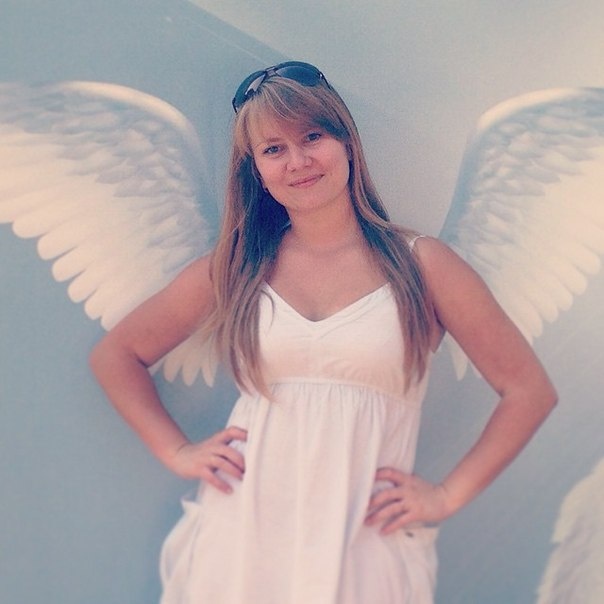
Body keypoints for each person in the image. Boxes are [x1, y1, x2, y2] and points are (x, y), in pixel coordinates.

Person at [90, 61, 557, 603]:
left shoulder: (422, 264)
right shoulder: (238, 265)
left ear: (347, 142)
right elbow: (117, 354)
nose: (298, 161)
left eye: (313, 136)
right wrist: (177, 451)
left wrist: (446, 496)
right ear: (255, 170)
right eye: (274, 149)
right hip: (241, 541)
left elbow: (529, 390)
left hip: (363, 547)